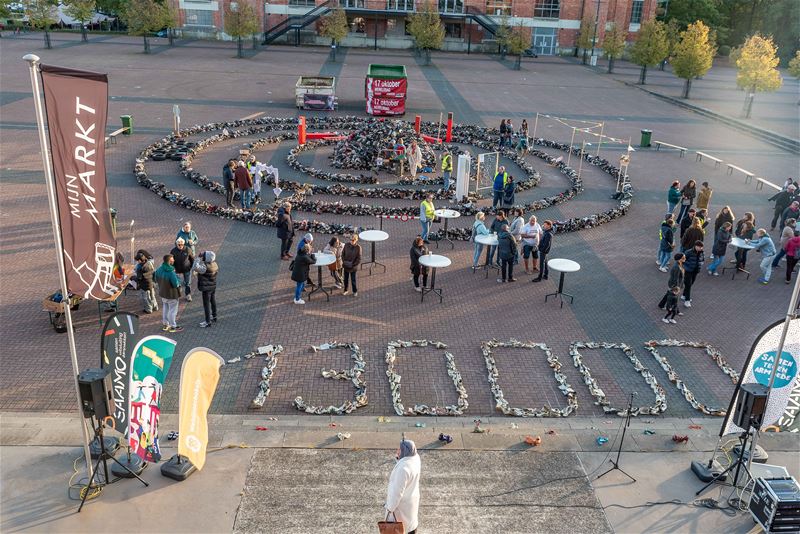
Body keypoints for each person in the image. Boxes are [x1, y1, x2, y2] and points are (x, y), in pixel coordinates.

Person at [384, 439, 421, 534]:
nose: (397, 451)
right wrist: (399, 460)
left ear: (404, 451)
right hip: (412, 502)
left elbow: (397, 492)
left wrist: (390, 508)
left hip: (401, 508)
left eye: (400, 449)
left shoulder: (403, 469)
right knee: (411, 526)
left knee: (402, 529)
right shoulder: (416, 459)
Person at [154, 254, 183, 333]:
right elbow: (175, 284)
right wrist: (179, 279)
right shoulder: (171, 273)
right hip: (172, 294)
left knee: (165, 308)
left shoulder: (159, 269)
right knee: (173, 310)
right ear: (169, 261)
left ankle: (166, 324)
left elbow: (155, 278)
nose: (173, 260)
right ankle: (173, 326)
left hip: (163, 293)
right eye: (172, 259)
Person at [195, 251, 218, 327]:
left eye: (204, 255)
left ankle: (208, 321)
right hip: (212, 286)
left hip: (206, 288)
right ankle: (214, 316)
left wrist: (198, 258)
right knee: (213, 301)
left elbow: (195, 267)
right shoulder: (215, 264)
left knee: (206, 304)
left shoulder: (205, 267)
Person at [170, 237, 194, 302]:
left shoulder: (188, 249)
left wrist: (190, 267)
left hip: (187, 269)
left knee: (188, 283)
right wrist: (173, 268)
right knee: (178, 283)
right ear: (176, 244)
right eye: (179, 244)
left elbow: (192, 259)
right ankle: (178, 294)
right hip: (177, 270)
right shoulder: (173, 251)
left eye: (182, 244)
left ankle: (188, 295)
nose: (181, 246)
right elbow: (171, 261)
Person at [682, 241, 704, 308]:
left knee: (691, 283)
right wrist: (685, 267)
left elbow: (702, 259)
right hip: (688, 270)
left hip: (695, 270)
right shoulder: (688, 252)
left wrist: (700, 264)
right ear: (695, 246)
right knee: (688, 284)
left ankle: (684, 295)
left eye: (701, 247)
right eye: (699, 247)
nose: (701, 248)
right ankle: (687, 301)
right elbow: (683, 260)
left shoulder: (701, 252)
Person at [135, 250, 158, 314]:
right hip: (151, 282)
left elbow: (139, 278)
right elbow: (154, 272)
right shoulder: (149, 263)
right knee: (152, 295)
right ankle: (155, 306)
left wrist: (133, 278)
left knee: (146, 298)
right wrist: (154, 281)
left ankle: (148, 309)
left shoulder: (139, 267)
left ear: (139, 260)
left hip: (144, 285)